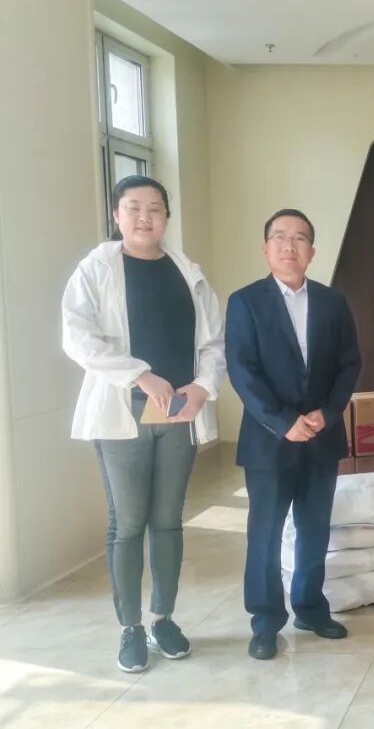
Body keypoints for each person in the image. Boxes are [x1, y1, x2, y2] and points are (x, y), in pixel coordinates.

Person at [61, 175, 226, 673]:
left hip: (177, 413)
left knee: (169, 520)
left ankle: (163, 619)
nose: (144, 217)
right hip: (123, 413)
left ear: (166, 218)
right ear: (117, 215)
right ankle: (130, 628)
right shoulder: (96, 268)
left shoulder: (187, 272)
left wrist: (203, 386)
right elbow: (77, 337)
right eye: (133, 207)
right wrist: (139, 374)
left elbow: (214, 342)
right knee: (129, 523)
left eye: (154, 208)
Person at [225, 208, 361, 660]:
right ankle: (265, 621)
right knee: (264, 534)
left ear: (312, 252)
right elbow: (242, 371)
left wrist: (328, 412)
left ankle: (310, 607)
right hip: (269, 441)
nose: (289, 246)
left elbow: (349, 364)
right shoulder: (245, 302)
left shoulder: (332, 302)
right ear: (266, 249)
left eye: (299, 238)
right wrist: (284, 421)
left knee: (314, 529)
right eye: (280, 237)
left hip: (322, 436)